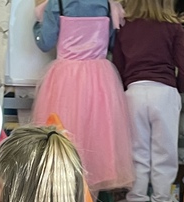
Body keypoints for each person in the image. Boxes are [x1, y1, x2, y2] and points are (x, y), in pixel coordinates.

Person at [33, 0, 135, 192]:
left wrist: (37, 23)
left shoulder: (57, 2)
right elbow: (113, 43)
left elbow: (45, 42)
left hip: (66, 78)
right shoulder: (107, 3)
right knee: (97, 142)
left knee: (63, 141)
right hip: (100, 79)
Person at [111, 0, 184, 202]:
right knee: (164, 154)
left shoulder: (126, 26)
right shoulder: (173, 27)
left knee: (137, 154)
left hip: (134, 93)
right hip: (164, 92)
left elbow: (118, 65)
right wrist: (175, 88)